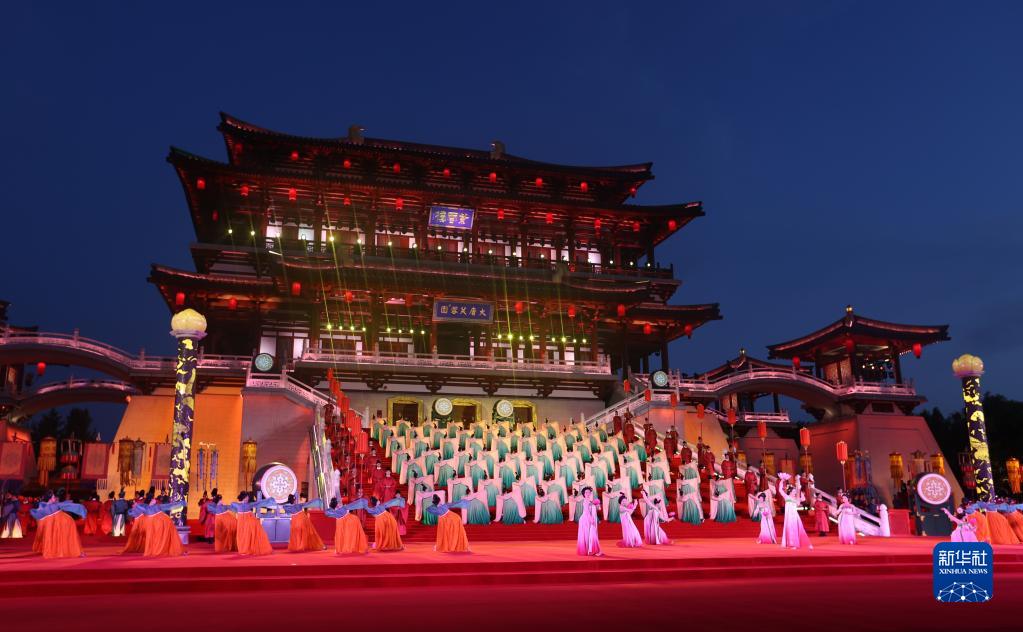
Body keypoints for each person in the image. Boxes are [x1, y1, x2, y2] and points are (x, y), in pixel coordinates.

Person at [30, 491, 86, 559]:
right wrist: (81, 510)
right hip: (58, 525)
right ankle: (63, 551)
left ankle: (59, 551)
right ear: (50, 498)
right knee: (59, 537)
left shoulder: (45, 506)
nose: (55, 498)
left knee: (58, 537)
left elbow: (68, 505)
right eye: (54, 497)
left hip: (59, 524)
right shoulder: (47, 506)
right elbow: (69, 506)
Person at [778, 474, 812, 550]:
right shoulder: (786, 497)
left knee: (795, 528)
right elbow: (780, 490)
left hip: (794, 515)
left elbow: (801, 498)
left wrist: (798, 482)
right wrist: (782, 480)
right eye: (793, 491)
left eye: (795, 492)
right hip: (788, 516)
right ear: (790, 491)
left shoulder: (796, 498)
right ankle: (789, 543)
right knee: (789, 528)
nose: (794, 492)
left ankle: (795, 543)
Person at [575, 486, 602, 557]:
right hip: (586, 519)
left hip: (589, 518)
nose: (587, 493)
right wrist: (591, 519)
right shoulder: (586, 501)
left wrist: (597, 505)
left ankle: (589, 550)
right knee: (588, 534)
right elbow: (586, 511)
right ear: (583, 494)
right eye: (586, 492)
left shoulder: (590, 501)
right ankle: (589, 550)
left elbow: (597, 509)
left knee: (590, 534)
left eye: (589, 492)